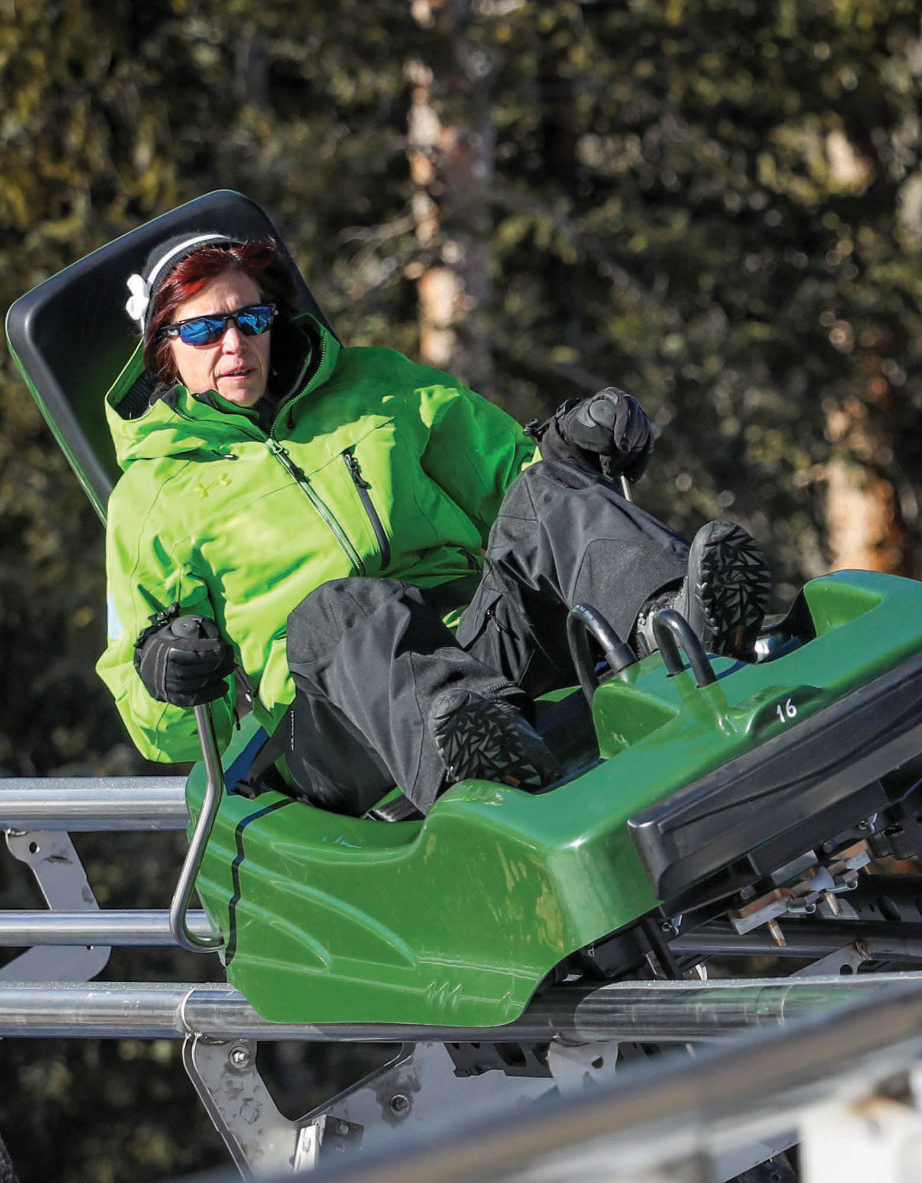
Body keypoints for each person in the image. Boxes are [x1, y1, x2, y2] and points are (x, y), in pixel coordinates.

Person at [98, 232, 770, 816]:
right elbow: (162, 730)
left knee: (545, 495)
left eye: (251, 317)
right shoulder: (152, 496)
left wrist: (573, 448)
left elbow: (514, 483)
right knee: (339, 606)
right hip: (338, 721)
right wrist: (167, 673)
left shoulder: (376, 385)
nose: (234, 342)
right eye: (203, 328)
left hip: (475, 649)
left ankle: (677, 622)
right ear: (166, 349)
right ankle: (477, 757)